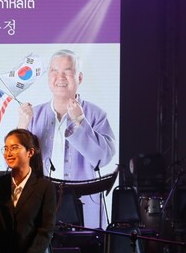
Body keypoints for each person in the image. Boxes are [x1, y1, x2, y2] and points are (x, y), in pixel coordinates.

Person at [17, 49, 116, 228]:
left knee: (85, 243)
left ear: (80, 78)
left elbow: (103, 159)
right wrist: (22, 126)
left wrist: (81, 121)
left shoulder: (95, 114)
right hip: (42, 202)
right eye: (54, 71)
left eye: (67, 71)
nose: (60, 77)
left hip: (83, 202)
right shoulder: (33, 115)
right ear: (48, 77)